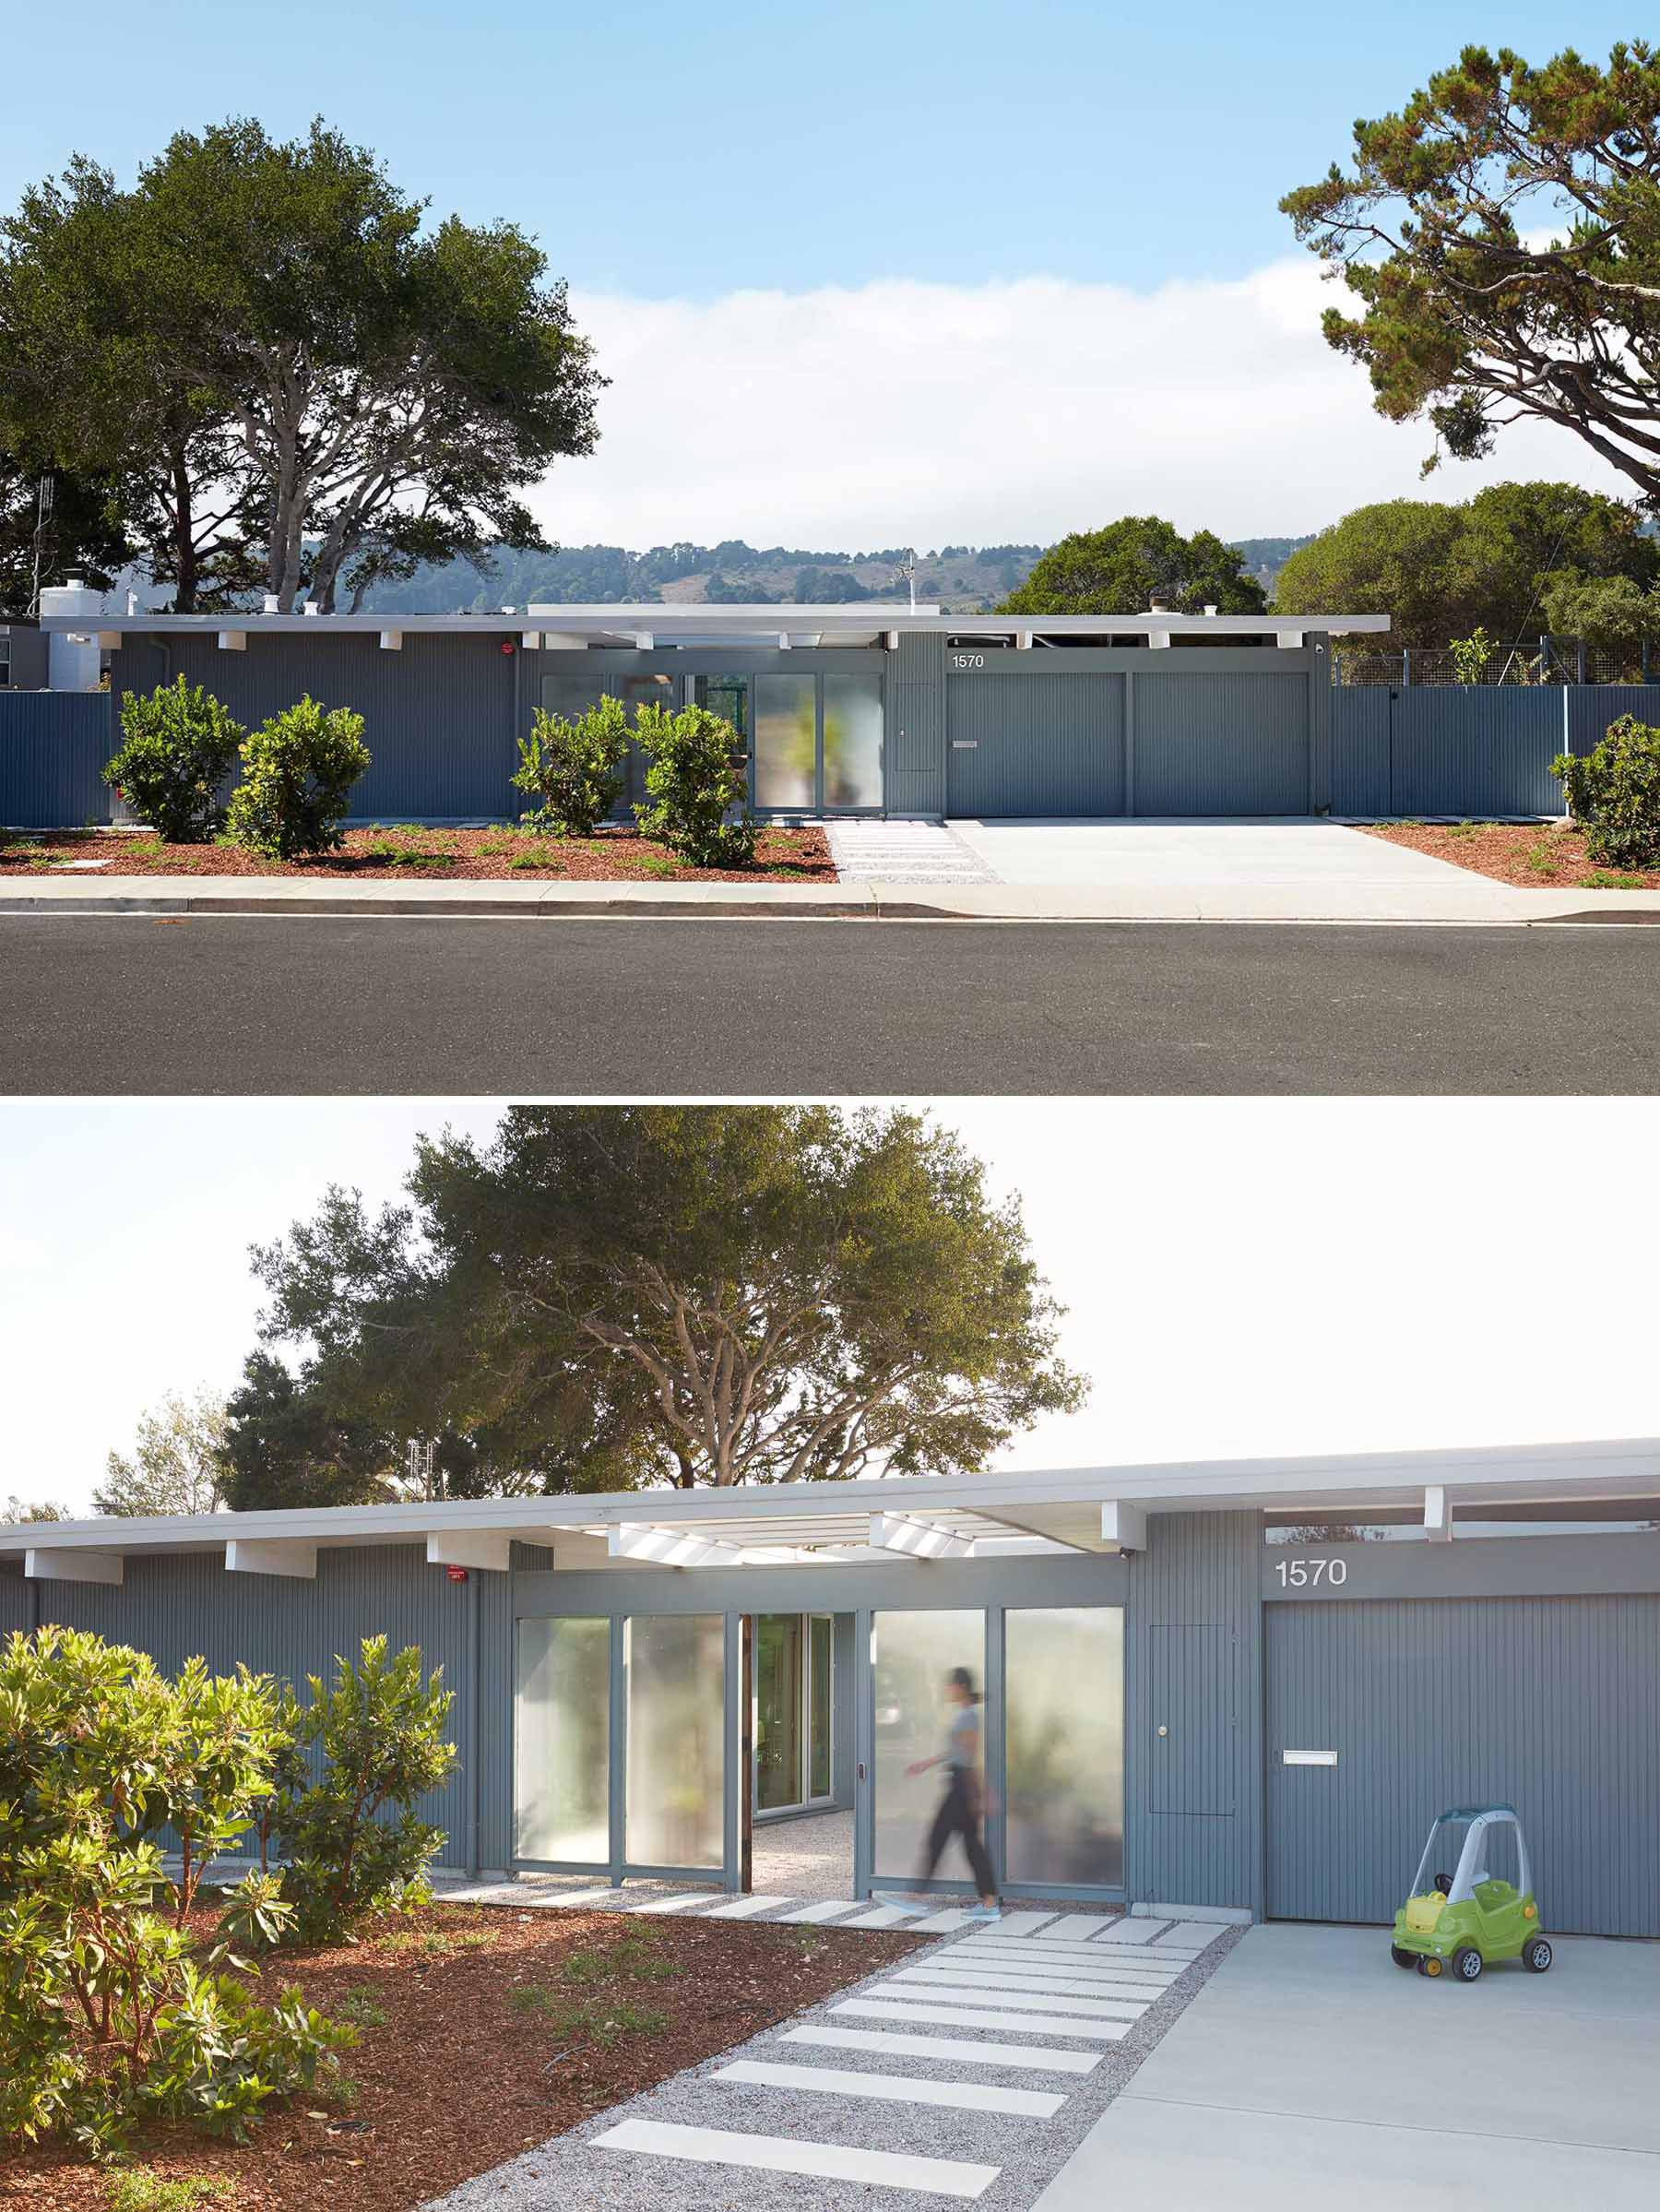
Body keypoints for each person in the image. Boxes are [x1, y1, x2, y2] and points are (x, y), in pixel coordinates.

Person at [907, 1664, 999, 1916]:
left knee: (938, 1838)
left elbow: (969, 1757)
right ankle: (989, 1902)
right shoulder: (963, 1715)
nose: (947, 1688)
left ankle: (917, 1895)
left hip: (961, 1786)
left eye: (950, 1684)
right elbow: (957, 1750)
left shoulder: (968, 1716)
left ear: (961, 1687)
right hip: (960, 1785)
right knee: (971, 1846)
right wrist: (926, 1763)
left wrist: (976, 1795)